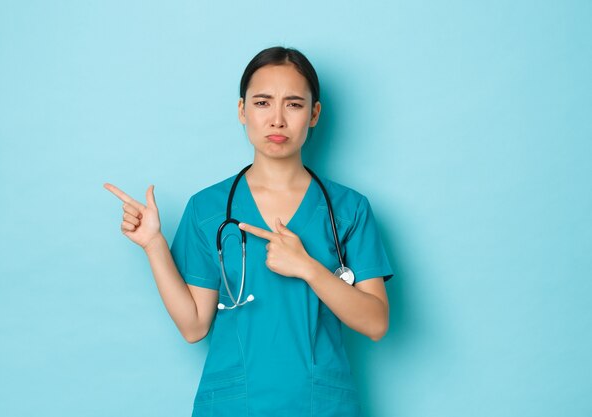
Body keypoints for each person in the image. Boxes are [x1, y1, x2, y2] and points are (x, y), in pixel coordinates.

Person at [104, 46, 394, 417]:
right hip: (233, 406)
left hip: (318, 405)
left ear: (314, 114)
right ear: (242, 110)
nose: (277, 120)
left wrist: (307, 267)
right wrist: (153, 245)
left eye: (293, 104)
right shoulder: (208, 208)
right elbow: (193, 326)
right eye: (262, 103)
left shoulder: (349, 209)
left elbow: (375, 322)